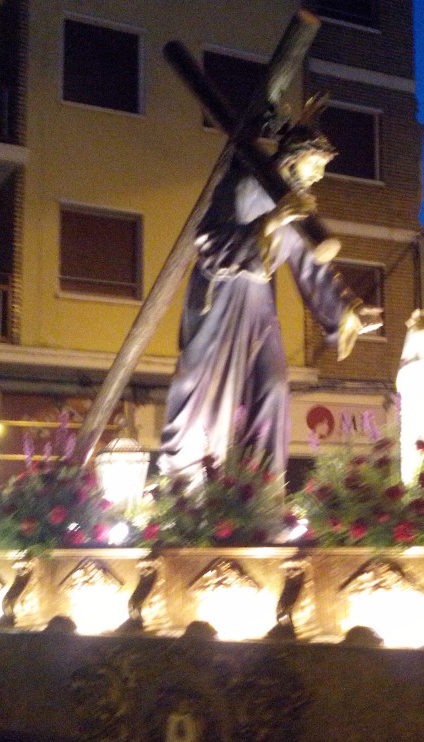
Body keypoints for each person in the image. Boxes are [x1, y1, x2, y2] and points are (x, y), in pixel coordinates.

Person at [158, 108, 381, 479]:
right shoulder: (243, 183)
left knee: (274, 388)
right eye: (314, 167)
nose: (319, 177)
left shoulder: (296, 207)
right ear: (291, 160)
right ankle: (189, 479)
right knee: (206, 390)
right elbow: (209, 241)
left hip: (260, 307)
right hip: (222, 300)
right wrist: (272, 220)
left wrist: (346, 312)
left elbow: (310, 266)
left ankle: (259, 489)